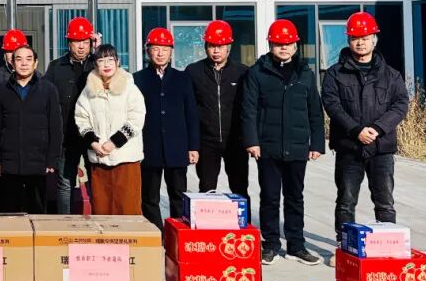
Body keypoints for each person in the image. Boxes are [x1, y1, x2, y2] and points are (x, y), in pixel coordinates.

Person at [322, 12, 410, 247]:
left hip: (381, 148)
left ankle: (388, 246)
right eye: (355, 38)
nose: (360, 43)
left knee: (385, 201)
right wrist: (356, 130)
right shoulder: (335, 73)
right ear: (348, 40)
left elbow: (401, 104)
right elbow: (332, 104)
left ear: (374, 40)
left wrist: (378, 128)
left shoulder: (391, 75)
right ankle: (344, 246)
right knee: (346, 201)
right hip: (349, 147)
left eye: (365, 38)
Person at [242, 19, 325, 266]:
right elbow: (249, 110)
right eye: (279, 43)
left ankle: (296, 246)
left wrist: (316, 143)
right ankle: (270, 245)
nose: (284, 47)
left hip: (298, 146)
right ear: (270, 45)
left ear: (296, 45)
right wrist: (252, 141)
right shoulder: (257, 73)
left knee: (295, 197)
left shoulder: (306, 73)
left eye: (288, 43)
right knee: (269, 197)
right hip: (267, 146)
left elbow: (315, 111)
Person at [134, 28, 200, 227]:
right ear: (148, 51)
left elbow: (191, 114)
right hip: (149, 146)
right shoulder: (137, 79)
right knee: (149, 196)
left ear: (171, 51)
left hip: (177, 146)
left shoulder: (183, 78)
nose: (160, 53)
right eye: (155, 48)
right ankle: (156, 234)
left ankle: (176, 233)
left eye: (164, 49)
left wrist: (193, 146)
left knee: (178, 195)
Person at [0, 45, 63, 213]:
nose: (24, 63)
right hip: (9, 163)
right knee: (9, 213)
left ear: (35, 63)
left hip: (37, 161)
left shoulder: (48, 89)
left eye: (29, 59)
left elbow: (55, 126)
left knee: (36, 212)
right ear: (12, 63)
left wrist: (52, 159)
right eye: (19, 59)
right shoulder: (1, 89)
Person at [186, 20, 250, 210]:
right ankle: (207, 224)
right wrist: (192, 144)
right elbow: (189, 109)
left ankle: (243, 224)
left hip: (235, 141)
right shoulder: (193, 72)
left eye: (220, 46)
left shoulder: (242, 72)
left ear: (229, 47)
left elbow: (250, 108)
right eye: (212, 46)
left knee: (240, 188)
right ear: (205, 47)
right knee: (207, 189)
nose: (216, 51)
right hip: (207, 141)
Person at [75, 44, 145, 215]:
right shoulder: (88, 91)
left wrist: (114, 142)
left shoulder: (129, 88)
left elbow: (136, 118)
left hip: (126, 158)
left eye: (110, 60)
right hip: (99, 159)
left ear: (117, 62)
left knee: (127, 208)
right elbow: (81, 118)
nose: (106, 64)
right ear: (95, 65)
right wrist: (93, 142)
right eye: (101, 60)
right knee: (102, 208)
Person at [45, 17, 101, 214]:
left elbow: (113, 78)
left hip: (93, 135)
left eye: (85, 42)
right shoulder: (55, 67)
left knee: (97, 182)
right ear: (69, 42)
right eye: (77, 42)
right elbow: (46, 100)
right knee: (65, 182)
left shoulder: (97, 64)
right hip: (65, 135)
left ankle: (100, 222)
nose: (81, 46)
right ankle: (65, 224)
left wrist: (98, 52)